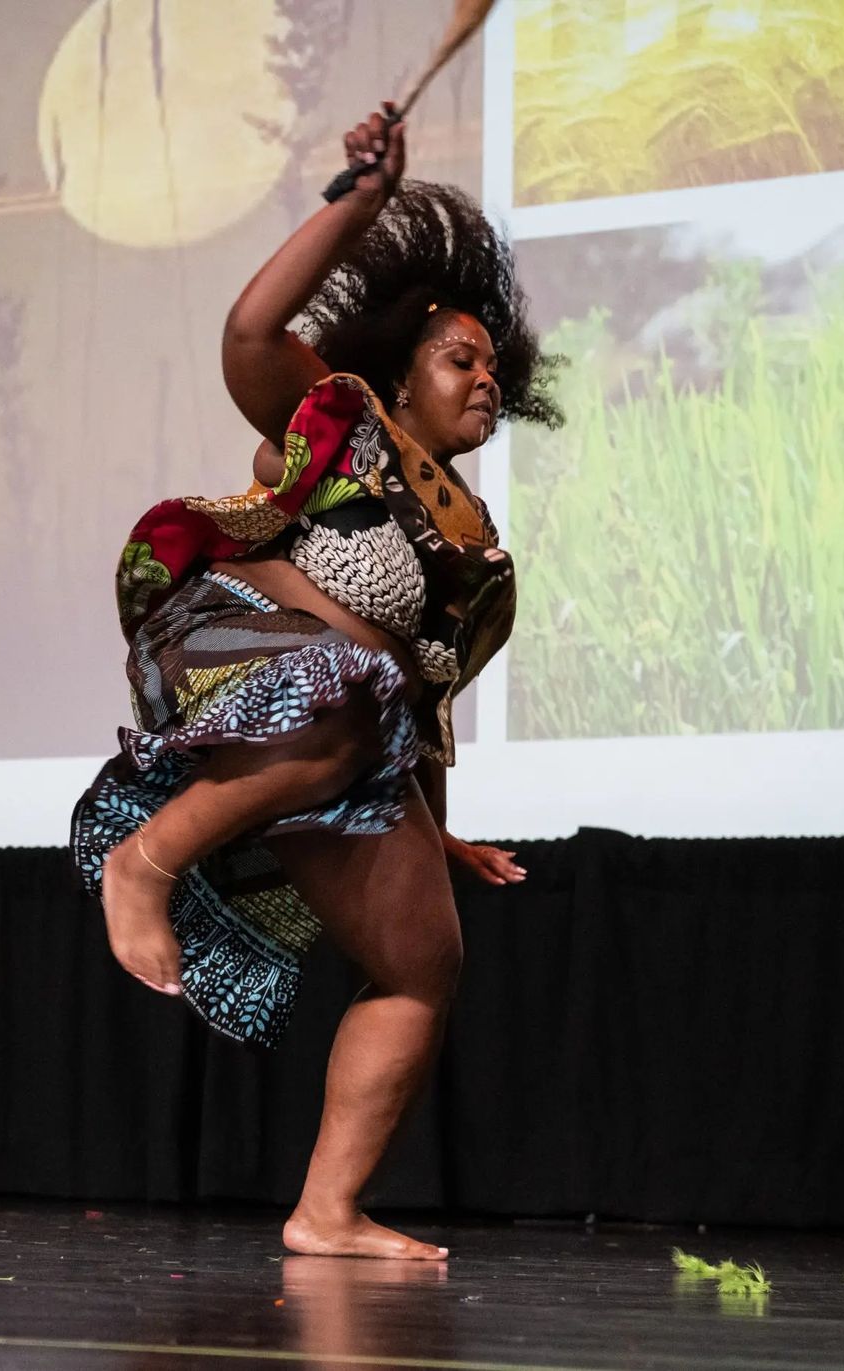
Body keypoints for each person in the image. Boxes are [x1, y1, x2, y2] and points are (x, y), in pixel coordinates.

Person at [71, 106, 558, 1260]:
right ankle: (143, 863)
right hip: (231, 651)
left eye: (494, 363)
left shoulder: (479, 554)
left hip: (346, 729)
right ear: (399, 366)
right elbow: (250, 329)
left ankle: (325, 1212)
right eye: (460, 356)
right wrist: (361, 201)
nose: (485, 375)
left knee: (422, 964)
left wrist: (439, 837)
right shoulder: (346, 429)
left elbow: (419, 706)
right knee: (345, 687)